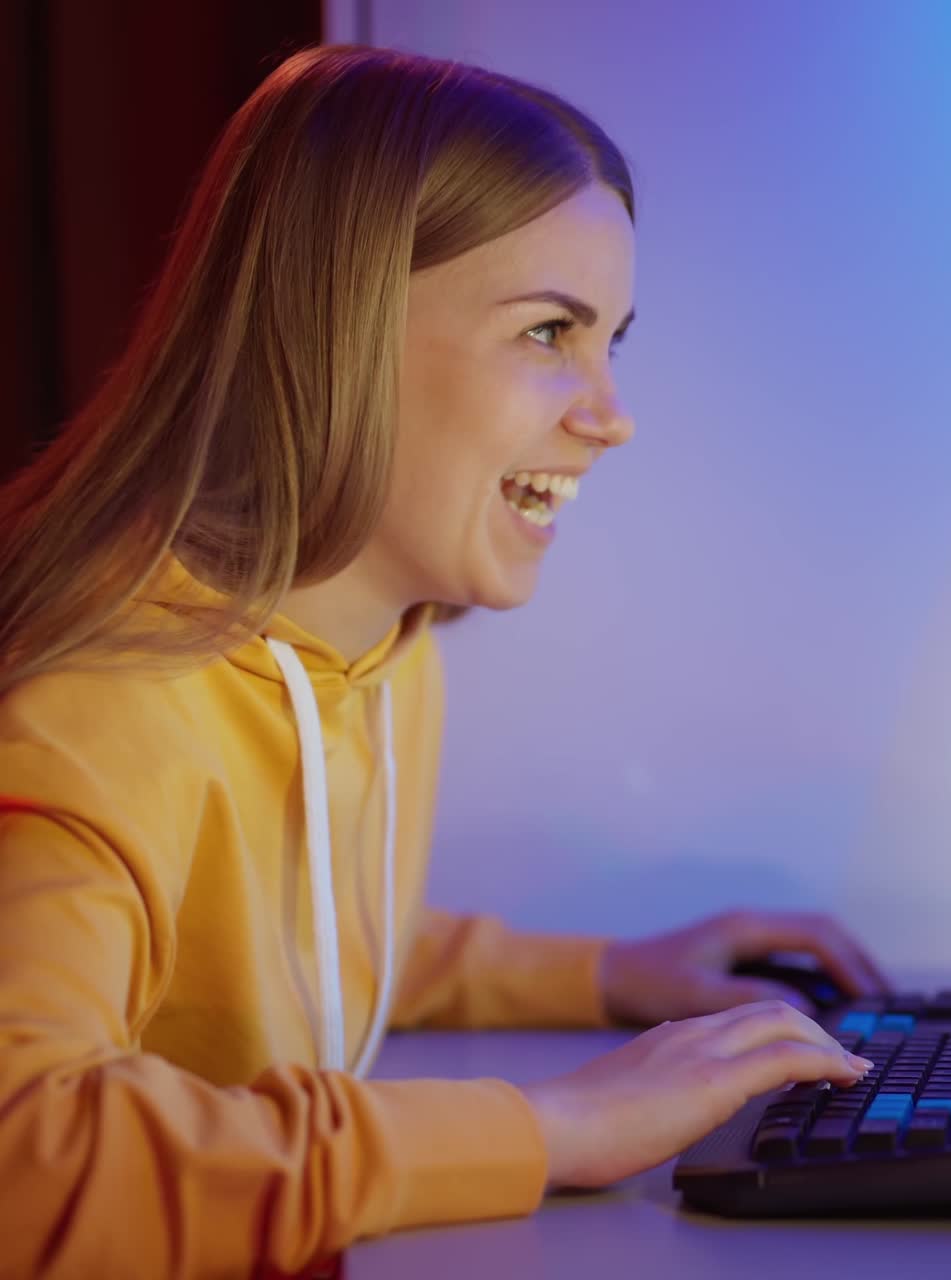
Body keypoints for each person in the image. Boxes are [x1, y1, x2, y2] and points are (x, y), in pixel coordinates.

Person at [0, 43, 887, 1278]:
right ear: (338, 329)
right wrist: (551, 1124)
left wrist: (616, 974)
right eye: (547, 332)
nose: (610, 411)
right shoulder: (108, 695)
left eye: (611, 338)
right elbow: (22, 1155)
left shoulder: (381, 650)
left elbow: (310, 949)